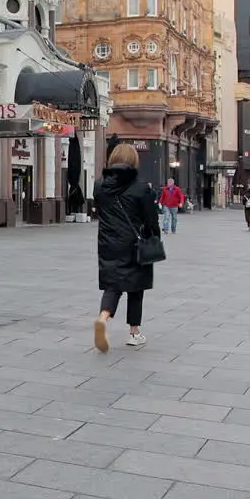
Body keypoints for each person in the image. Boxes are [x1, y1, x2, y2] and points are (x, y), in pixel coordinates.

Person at [92, 143, 160, 351]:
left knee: (112, 285)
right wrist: (154, 238)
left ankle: (103, 318)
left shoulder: (99, 185)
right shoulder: (141, 188)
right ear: (134, 162)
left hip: (107, 243)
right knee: (135, 287)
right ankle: (134, 333)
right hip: (134, 243)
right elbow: (151, 220)